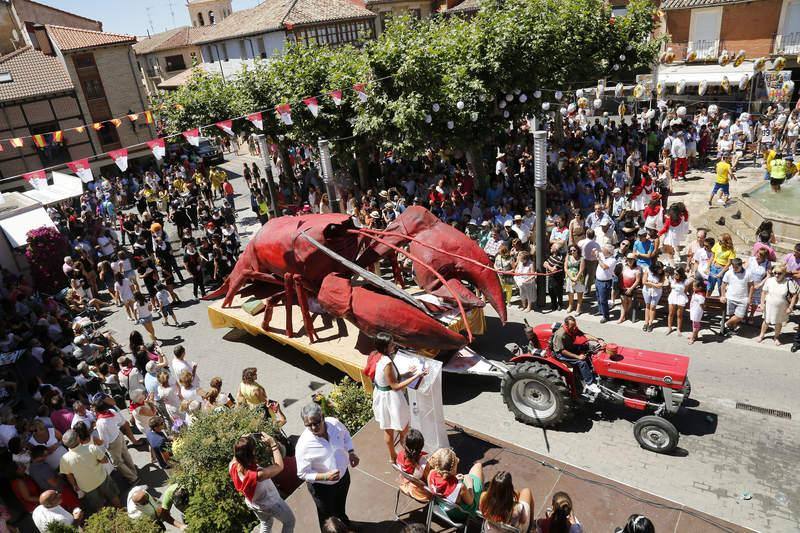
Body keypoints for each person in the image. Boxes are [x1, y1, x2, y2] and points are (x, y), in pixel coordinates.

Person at [295, 402, 359, 529]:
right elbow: (302, 473)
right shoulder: (303, 445)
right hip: (322, 488)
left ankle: (345, 525)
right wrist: (325, 477)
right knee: (327, 518)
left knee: (340, 506)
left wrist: (351, 452)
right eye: (309, 425)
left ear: (323, 417)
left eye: (316, 423)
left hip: (343, 477)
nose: (313, 427)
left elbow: (346, 436)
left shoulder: (335, 424)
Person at [371, 332, 427, 462]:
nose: (394, 345)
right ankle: (409, 458)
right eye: (391, 344)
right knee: (404, 429)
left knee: (388, 429)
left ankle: (392, 457)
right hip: (391, 399)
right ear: (385, 347)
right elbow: (395, 386)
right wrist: (417, 375)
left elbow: (389, 378)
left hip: (381, 396)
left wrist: (408, 373)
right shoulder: (387, 363)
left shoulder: (378, 356)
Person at [230, 432, 295, 533]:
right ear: (253, 452)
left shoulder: (232, 467)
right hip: (271, 503)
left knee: (266, 523)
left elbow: (237, 454)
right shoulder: (258, 475)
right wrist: (273, 444)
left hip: (254, 504)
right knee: (289, 522)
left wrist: (242, 440)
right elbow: (279, 466)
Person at [59, 429, 121, 512]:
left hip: (87, 487)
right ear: (78, 439)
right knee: (113, 496)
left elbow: (69, 475)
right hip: (101, 478)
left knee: (99, 506)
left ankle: (108, 521)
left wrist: (74, 485)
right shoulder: (91, 448)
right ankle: (121, 511)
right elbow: (105, 460)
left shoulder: (64, 459)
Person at [426, 448, 484, 522]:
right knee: (478, 466)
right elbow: (470, 502)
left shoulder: (431, 474)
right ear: (453, 468)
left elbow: (442, 486)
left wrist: (455, 479)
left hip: (443, 506)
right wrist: (469, 485)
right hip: (459, 514)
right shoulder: (460, 487)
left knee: (468, 476)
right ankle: (481, 498)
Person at [550, 316, 601, 394]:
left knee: (589, 348)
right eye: (572, 326)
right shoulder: (560, 335)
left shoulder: (573, 328)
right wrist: (578, 356)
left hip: (571, 347)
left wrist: (598, 340)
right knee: (581, 362)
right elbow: (562, 351)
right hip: (561, 354)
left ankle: (594, 370)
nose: (575, 328)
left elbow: (584, 335)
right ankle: (589, 384)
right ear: (566, 325)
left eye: (575, 325)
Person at [757, 264, 798, 345]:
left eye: (779, 273)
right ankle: (761, 335)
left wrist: (790, 307)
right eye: (775, 273)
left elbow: (794, 295)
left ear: (784, 274)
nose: (776, 275)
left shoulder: (788, 282)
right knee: (766, 321)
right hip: (769, 306)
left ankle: (776, 337)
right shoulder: (769, 280)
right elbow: (764, 292)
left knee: (778, 323)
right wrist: (761, 304)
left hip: (782, 307)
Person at [720, 258, 753, 338]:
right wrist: (723, 295)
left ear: (741, 265)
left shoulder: (748, 273)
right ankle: (731, 330)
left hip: (743, 299)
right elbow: (723, 285)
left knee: (740, 316)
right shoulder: (729, 273)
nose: (734, 269)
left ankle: (725, 324)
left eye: (736, 267)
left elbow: (751, 286)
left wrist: (749, 298)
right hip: (730, 297)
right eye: (733, 267)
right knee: (731, 316)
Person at [395, 429, 430, 500]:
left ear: (405, 444)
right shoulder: (423, 464)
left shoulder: (399, 455)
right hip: (421, 493)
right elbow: (429, 480)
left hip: (404, 483)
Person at [593, 245, 618, 323]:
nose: (602, 251)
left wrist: (598, 258)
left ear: (609, 252)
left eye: (604, 250)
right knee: (598, 298)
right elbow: (593, 253)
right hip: (598, 280)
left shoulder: (612, 260)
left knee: (603, 300)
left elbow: (604, 266)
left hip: (605, 282)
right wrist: (595, 251)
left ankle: (606, 316)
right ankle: (601, 311)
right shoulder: (603, 256)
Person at [641, 261, 665, 333]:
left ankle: (650, 323)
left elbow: (660, 284)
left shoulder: (662, 273)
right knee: (647, 306)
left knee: (653, 307)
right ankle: (646, 322)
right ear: (655, 268)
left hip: (656, 292)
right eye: (659, 269)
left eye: (661, 268)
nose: (661, 270)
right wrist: (654, 284)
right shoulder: (648, 270)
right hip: (647, 291)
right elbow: (644, 282)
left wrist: (650, 283)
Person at [617, 253, 641, 324]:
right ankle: (622, 317)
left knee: (629, 302)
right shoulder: (623, 266)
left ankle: (625, 313)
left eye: (632, 259)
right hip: (623, 287)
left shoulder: (638, 268)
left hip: (631, 288)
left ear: (635, 260)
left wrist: (631, 289)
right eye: (628, 259)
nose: (630, 261)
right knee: (623, 302)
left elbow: (637, 280)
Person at [667, 267, 689, 336]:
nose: (675, 275)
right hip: (672, 296)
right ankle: (669, 328)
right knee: (671, 313)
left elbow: (686, 291)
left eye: (676, 274)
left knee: (679, 315)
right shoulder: (672, 279)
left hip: (681, 297)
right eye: (674, 273)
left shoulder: (685, 281)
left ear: (680, 274)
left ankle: (678, 329)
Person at [564, 245, 586, 315]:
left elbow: (581, 269)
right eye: (571, 251)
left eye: (574, 250)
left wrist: (576, 278)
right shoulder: (568, 257)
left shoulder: (581, 258)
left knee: (579, 293)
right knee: (570, 293)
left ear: (577, 250)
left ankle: (578, 308)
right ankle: (570, 306)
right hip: (569, 277)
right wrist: (571, 277)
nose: (572, 252)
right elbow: (565, 268)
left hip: (579, 277)